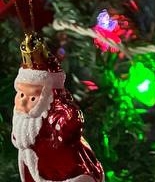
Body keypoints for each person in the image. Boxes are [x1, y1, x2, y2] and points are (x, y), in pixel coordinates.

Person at [11, 36, 103, 182]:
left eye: (33, 98)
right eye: (21, 94)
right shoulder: (23, 121)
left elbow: (70, 122)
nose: (22, 101)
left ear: (47, 96)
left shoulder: (55, 114)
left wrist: (68, 116)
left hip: (65, 173)